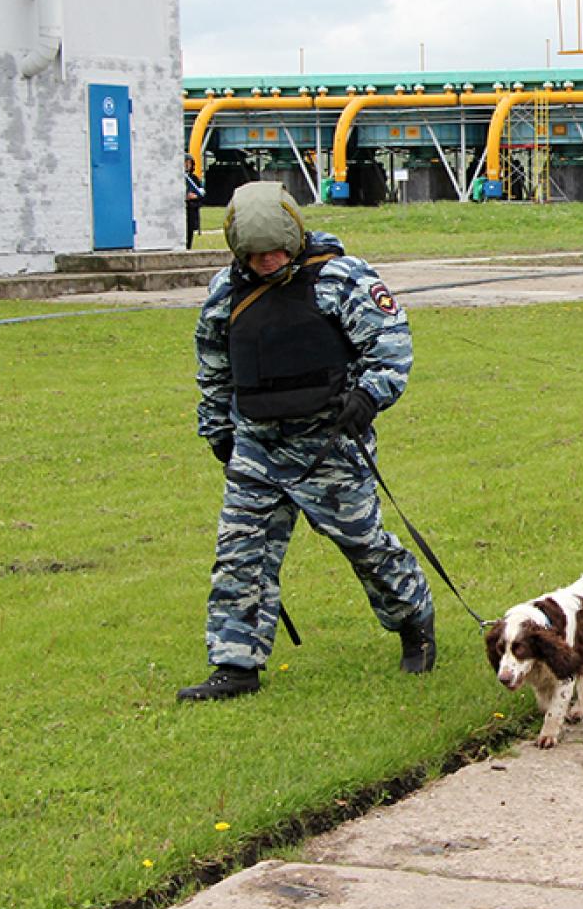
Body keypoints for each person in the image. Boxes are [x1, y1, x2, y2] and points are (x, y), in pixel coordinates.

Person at [179, 181, 435, 702]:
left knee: (364, 546)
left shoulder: (340, 279)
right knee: (240, 554)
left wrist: (368, 397)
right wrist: (218, 432)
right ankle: (236, 664)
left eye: (275, 250)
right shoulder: (225, 295)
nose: (267, 261)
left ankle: (414, 619)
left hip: (328, 445)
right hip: (257, 446)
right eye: (255, 254)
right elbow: (214, 369)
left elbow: (389, 346)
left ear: (294, 238)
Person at [184, 162, 204, 250]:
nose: (187, 165)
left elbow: (200, 194)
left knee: (189, 232)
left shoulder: (194, 178)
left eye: (189, 163)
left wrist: (195, 196)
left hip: (191, 208)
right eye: (185, 163)